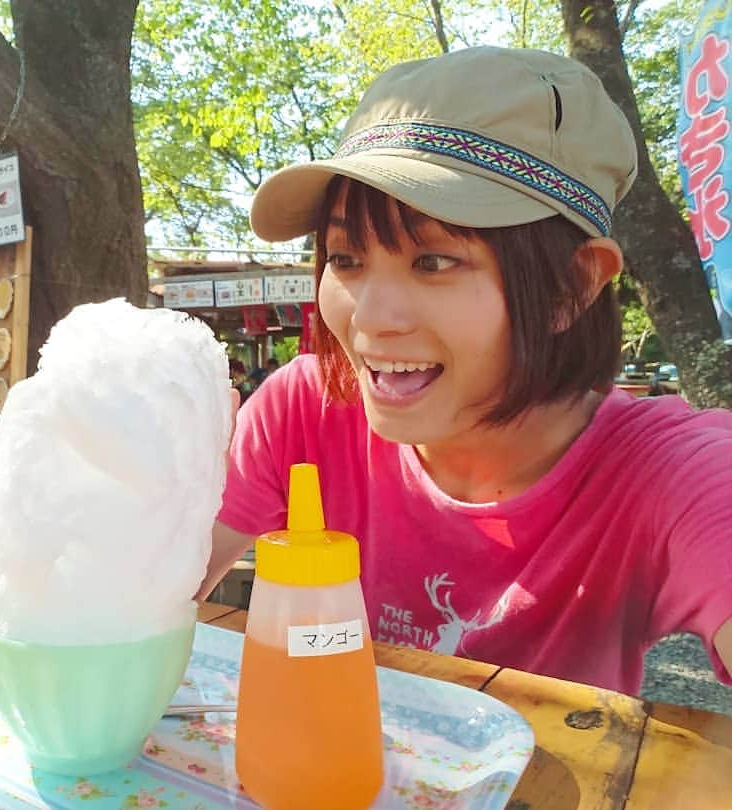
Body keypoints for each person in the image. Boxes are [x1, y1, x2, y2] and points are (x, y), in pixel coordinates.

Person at [199, 46, 732, 696]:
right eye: (345, 258)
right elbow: (130, 602)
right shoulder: (304, 410)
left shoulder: (671, 471)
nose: (369, 317)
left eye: (435, 262)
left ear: (573, 286)